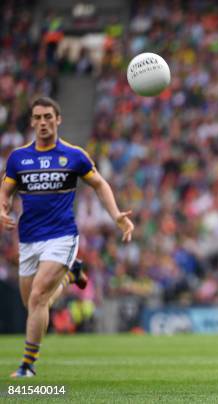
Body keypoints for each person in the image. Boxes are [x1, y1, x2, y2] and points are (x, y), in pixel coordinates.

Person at [0, 97, 134, 378]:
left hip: (62, 236)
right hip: (29, 238)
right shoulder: (18, 158)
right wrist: (2, 208)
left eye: (48, 116)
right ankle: (71, 275)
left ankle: (27, 366)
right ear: (32, 122)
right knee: (36, 304)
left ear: (58, 120)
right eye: (37, 117)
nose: (43, 122)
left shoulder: (74, 155)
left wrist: (116, 215)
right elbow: (5, 191)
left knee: (37, 297)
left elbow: (100, 184)